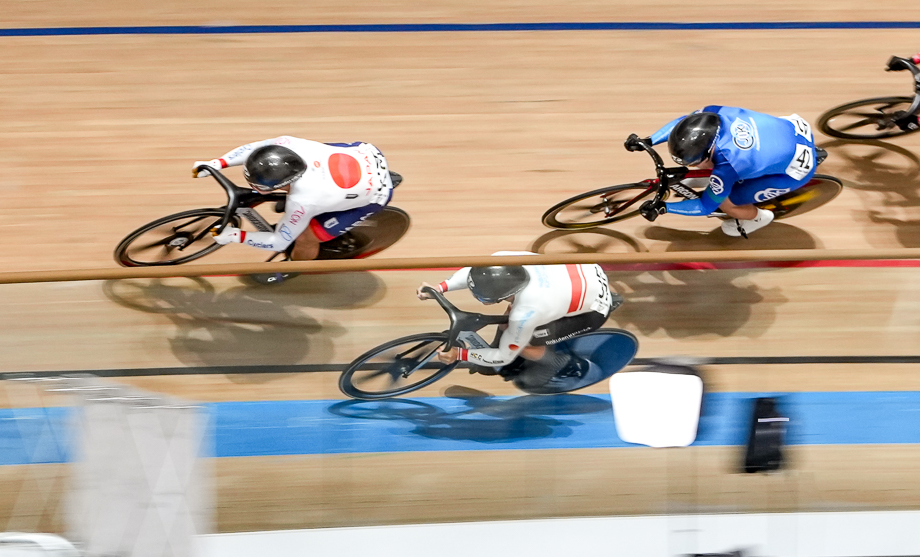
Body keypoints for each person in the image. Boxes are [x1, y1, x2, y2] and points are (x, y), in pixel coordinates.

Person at [425, 255, 620, 391]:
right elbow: (475, 271)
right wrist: (440, 287)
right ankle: (506, 343)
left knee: (525, 341)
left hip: (594, 309)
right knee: (512, 320)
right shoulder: (507, 261)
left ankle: (564, 364)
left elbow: (504, 356)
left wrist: (460, 354)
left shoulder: (528, 310)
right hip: (585, 273)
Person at [194, 137, 397, 259]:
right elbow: (257, 147)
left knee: (304, 237)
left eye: (259, 187)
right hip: (365, 153)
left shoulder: (304, 201)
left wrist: (235, 236)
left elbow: (279, 242)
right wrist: (217, 163)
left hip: (376, 193)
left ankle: (298, 268)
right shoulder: (288, 144)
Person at [639, 105, 819, 237]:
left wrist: (664, 208)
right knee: (723, 176)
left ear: (709, 154)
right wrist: (649, 140)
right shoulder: (713, 114)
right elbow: (683, 123)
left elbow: (705, 206)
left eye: (694, 163)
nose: (692, 166)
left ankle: (759, 218)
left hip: (793, 171)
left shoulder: (728, 165)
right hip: (791, 131)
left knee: (726, 203)